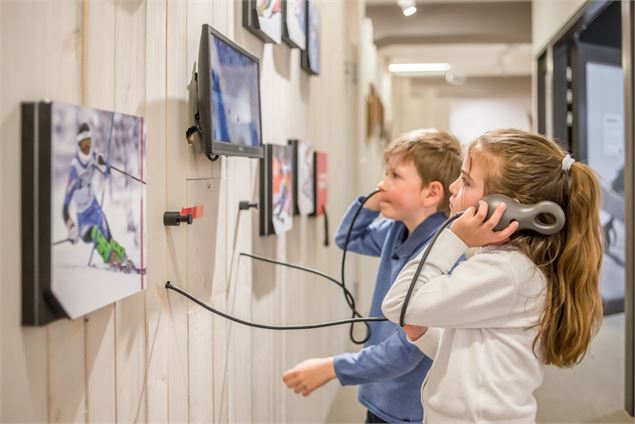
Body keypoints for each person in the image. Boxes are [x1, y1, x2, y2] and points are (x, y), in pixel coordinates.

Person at [382, 128, 603, 423]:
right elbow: (468, 357)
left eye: (466, 180)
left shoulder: (508, 273)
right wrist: (424, 333)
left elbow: (398, 304)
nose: (452, 186)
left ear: (507, 209)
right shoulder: (500, 264)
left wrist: (454, 237)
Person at [283, 129, 463, 423]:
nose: (382, 184)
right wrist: (371, 202)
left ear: (431, 193)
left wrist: (332, 368)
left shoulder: (441, 257)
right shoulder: (396, 230)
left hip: (410, 408)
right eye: (385, 173)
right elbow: (347, 237)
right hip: (381, 394)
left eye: (395, 176)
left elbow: (407, 351)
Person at [63, 122, 134, 272]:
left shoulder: (94, 158)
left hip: (96, 211)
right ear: (79, 144)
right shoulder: (74, 168)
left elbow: (106, 171)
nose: (87, 147)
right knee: (96, 233)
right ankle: (112, 260)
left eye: (89, 142)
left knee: (109, 240)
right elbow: (65, 206)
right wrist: (70, 226)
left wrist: (104, 165)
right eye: (84, 143)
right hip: (83, 220)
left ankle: (123, 259)